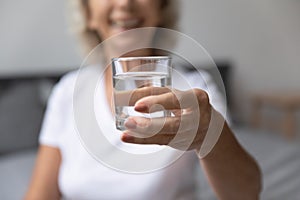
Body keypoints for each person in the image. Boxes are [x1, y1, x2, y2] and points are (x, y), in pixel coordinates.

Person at [25, 0, 261, 199]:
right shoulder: (69, 91)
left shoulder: (196, 90)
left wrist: (208, 133)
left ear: (161, 8)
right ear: (88, 14)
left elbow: (246, 194)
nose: (126, 3)